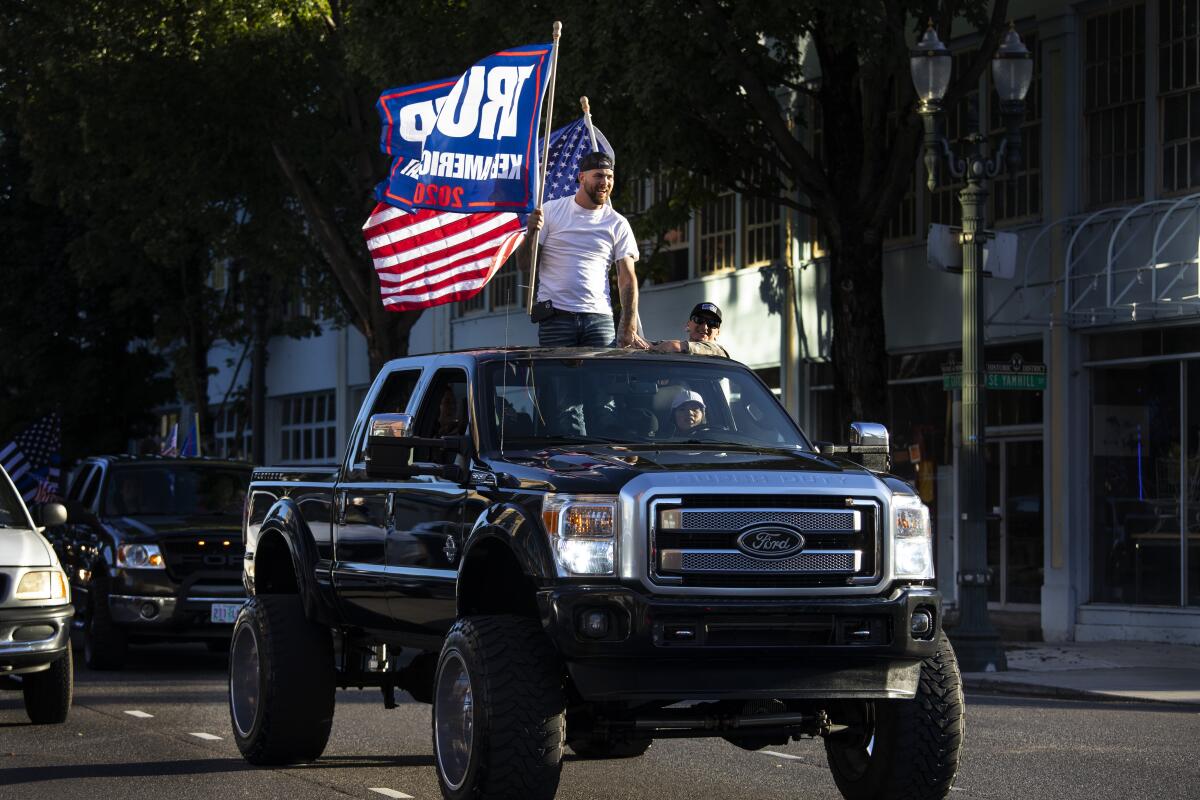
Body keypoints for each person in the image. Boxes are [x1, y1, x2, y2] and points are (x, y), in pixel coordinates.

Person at [520, 151, 649, 349]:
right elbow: (525, 266)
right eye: (598, 175)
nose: (605, 182)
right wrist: (530, 233)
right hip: (555, 317)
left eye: (609, 176)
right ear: (581, 177)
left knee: (599, 380)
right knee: (556, 379)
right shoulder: (551, 211)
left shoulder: (618, 223)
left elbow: (627, 278)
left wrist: (628, 323)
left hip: (599, 319)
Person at [651, 302, 730, 358]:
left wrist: (650, 349)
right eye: (699, 319)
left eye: (712, 323)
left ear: (718, 332)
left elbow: (673, 346)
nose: (705, 327)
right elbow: (652, 344)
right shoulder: (680, 351)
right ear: (688, 324)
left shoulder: (719, 353)